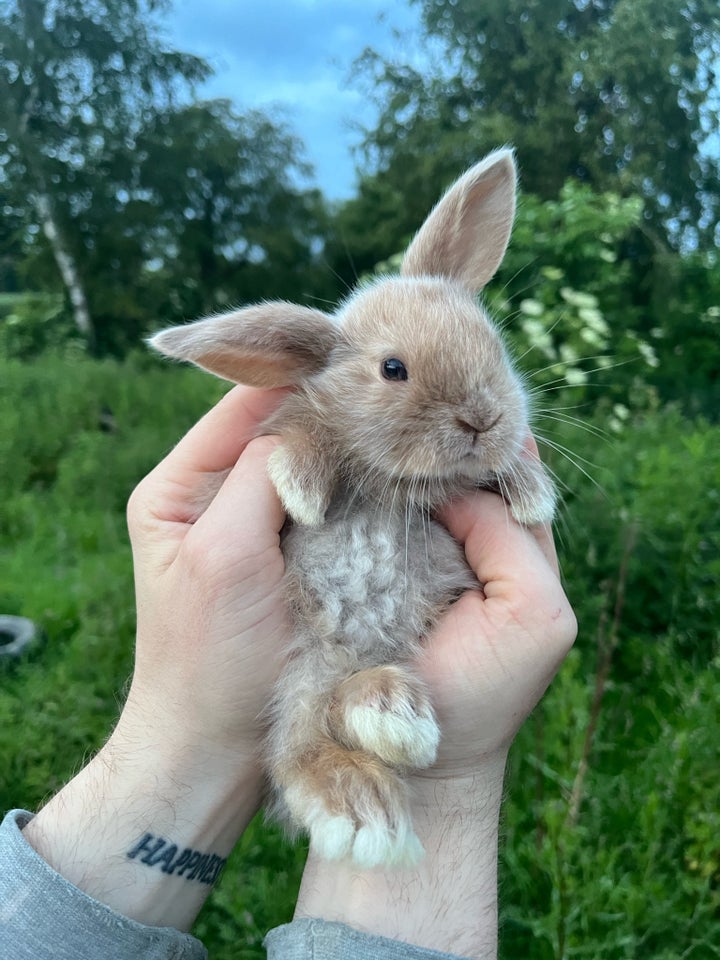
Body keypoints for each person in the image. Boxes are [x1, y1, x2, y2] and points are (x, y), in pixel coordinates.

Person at [0, 385, 576, 960]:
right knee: (324, 664)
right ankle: (319, 747)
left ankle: (350, 726)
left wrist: (446, 764)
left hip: (409, 616)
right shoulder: (324, 424)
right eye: (395, 370)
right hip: (321, 619)